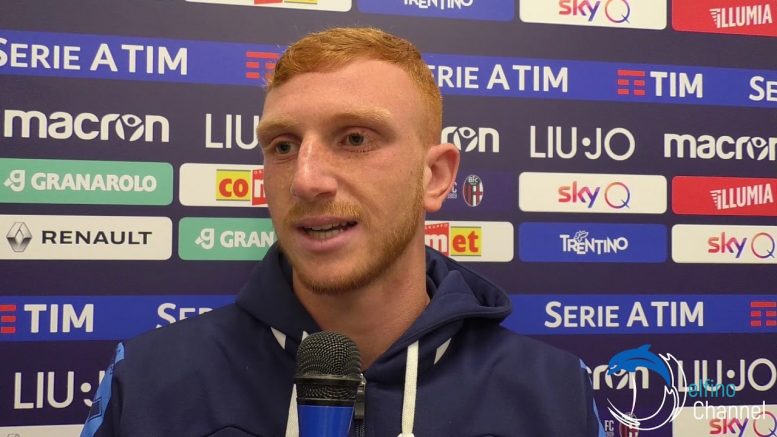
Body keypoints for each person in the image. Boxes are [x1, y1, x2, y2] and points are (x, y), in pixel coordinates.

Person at [81, 27, 605, 437]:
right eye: (283, 146)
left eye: (354, 139)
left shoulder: (555, 394)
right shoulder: (148, 381)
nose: (305, 179)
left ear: (435, 176)